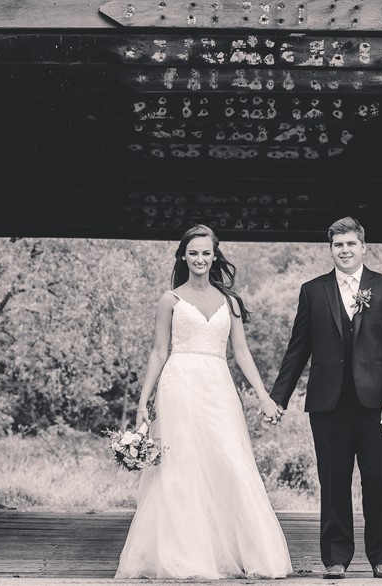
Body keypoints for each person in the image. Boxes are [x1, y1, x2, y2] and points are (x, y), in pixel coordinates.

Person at [115, 225, 292, 580]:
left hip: (218, 386)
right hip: (178, 384)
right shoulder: (170, 299)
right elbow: (158, 351)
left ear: (215, 256)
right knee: (182, 466)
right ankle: (186, 556)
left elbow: (241, 352)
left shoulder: (231, 302)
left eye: (206, 253)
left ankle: (247, 553)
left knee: (230, 460)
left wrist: (263, 396)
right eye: (193, 253)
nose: (199, 259)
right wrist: (141, 404)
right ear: (183, 256)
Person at [270, 217, 382, 580]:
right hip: (327, 405)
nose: (345, 251)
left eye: (350, 244)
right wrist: (278, 399)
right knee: (333, 481)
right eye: (338, 245)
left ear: (363, 247)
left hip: (376, 405)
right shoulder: (312, 291)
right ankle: (335, 558)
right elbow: (297, 351)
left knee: (378, 480)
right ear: (330, 249)